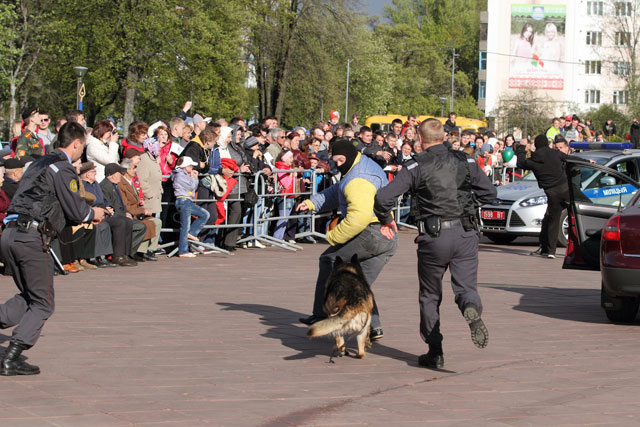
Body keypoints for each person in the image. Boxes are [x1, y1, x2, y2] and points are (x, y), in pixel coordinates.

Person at [373, 118, 497, 369]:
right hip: (465, 233)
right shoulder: (467, 161)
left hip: (434, 236)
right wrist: (467, 205)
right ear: (446, 137)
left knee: (430, 295)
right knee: (465, 288)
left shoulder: (415, 165)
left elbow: (383, 197)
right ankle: (470, 309)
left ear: (420, 139)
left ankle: (435, 350)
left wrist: (386, 220)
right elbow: (490, 194)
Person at [0, 122, 106, 375]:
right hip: (31, 238)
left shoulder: (36, 164)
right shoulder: (62, 168)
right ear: (77, 143)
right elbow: (77, 209)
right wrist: (95, 212)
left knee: (30, 295)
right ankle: (11, 356)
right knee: (44, 303)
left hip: (10, 233)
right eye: (83, 147)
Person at [297, 139, 398, 341]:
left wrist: (332, 236)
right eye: (335, 161)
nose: (337, 165)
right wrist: (313, 202)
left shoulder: (358, 179)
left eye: (340, 160)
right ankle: (374, 327)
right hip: (387, 237)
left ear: (349, 156)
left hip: (370, 232)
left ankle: (321, 315)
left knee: (328, 260)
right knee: (360, 284)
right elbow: (338, 191)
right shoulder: (359, 164)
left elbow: (358, 218)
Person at [516, 135, 572, 259]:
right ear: (547, 143)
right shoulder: (555, 154)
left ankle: (551, 251)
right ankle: (579, 248)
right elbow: (570, 159)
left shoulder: (533, 160)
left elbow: (520, 163)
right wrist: (588, 162)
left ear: (536, 145)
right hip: (566, 188)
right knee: (576, 217)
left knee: (553, 220)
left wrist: (521, 148)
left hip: (551, 193)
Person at [171, 156, 210, 258]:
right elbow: (192, 187)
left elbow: (191, 189)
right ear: (185, 166)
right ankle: (183, 250)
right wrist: (194, 178)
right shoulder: (180, 175)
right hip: (183, 201)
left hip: (186, 201)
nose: (192, 167)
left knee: (204, 214)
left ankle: (191, 233)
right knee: (185, 227)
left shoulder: (182, 175)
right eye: (191, 165)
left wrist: (192, 178)